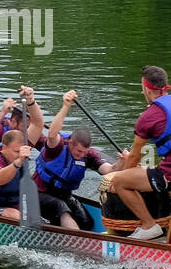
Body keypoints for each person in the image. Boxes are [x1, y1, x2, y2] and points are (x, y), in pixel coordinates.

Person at [101, 65, 171, 241]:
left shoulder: (148, 116)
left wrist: (123, 175)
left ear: (146, 88)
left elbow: (135, 156)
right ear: (165, 86)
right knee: (149, 171)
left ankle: (149, 226)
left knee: (120, 181)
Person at [35, 90, 118, 229]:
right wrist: (66, 106)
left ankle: (68, 231)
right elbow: (52, 133)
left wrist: (124, 161)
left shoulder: (88, 154)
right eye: (79, 151)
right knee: (61, 208)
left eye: (84, 152)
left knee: (87, 221)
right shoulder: (58, 146)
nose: (81, 155)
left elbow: (109, 170)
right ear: (71, 143)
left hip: (64, 194)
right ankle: (75, 243)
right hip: (39, 192)